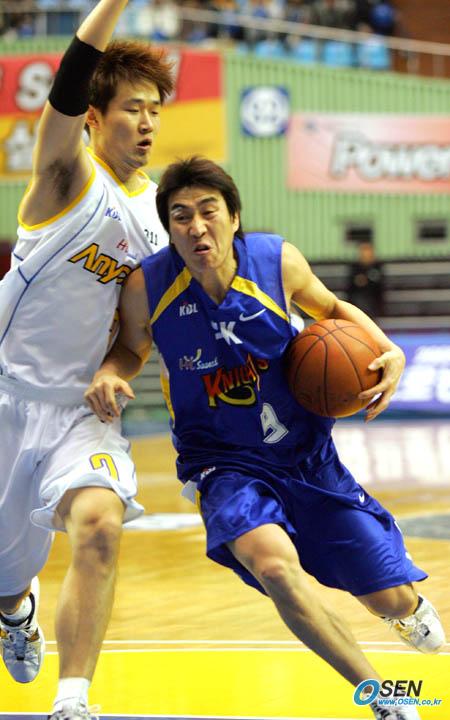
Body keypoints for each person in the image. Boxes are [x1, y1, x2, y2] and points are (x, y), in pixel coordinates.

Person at [85, 157, 445, 720]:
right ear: (168, 228)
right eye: (181, 216)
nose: (197, 227)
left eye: (209, 211)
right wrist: (110, 372)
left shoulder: (276, 262)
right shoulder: (147, 285)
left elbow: (331, 309)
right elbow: (132, 348)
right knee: (276, 569)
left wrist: (387, 348)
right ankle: (383, 699)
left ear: (233, 217)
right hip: (222, 465)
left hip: (306, 457)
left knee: (389, 596)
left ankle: (406, 607)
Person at [0, 1, 173, 719]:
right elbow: (70, 81)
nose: (148, 122)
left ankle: (73, 700)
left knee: (100, 523)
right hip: (8, 396)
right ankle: (14, 610)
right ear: (96, 118)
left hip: (81, 411)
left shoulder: (161, 219)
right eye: (133, 108)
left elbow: (135, 340)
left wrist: (115, 371)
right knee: (7, 574)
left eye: (156, 110)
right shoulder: (65, 175)